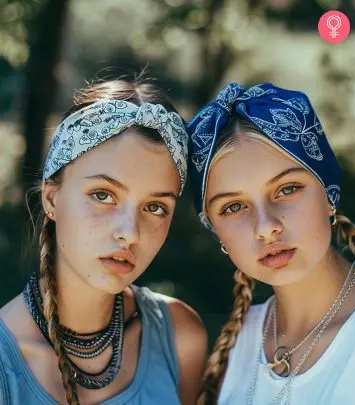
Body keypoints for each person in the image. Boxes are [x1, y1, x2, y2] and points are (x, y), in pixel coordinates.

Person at [0, 77, 207, 405]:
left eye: (155, 207)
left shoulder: (180, 338)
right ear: (52, 199)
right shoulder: (5, 364)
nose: (130, 232)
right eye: (102, 195)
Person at [187, 82, 355, 405]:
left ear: (328, 195)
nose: (266, 228)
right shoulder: (237, 343)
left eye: (287, 189)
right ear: (216, 231)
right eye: (234, 207)